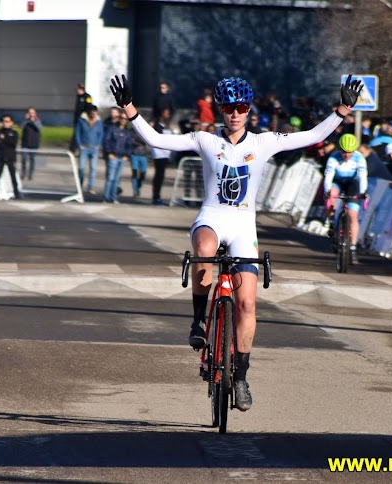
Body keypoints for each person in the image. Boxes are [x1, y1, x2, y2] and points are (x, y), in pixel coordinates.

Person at [110, 73, 362, 411]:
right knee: (203, 250)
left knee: (246, 304)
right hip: (212, 218)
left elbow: (313, 135)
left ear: (249, 109)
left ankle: (240, 376)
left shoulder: (263, 143)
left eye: (241, 107)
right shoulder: (205, 140)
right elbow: (157, 140)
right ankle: (199, 320)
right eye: (228, 107)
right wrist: (128, 107)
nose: (235, 113)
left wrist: (343, 109)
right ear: (219, 110)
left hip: (244, 226)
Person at [323, 133, 368, 263]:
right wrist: (327, 192)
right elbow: (329, 177)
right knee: (331, 195)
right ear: (339, 150)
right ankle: (331, 222)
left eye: (350, 152)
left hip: (352, 184)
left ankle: (353, 248)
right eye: (344, 152)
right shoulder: (333, 158)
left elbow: (363, 178)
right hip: (337, 182)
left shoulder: (360, 159)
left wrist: (363, 192)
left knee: (353, 215)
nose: (347, 155)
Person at [102, 110, 132, 204]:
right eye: (122, 118)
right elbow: (106, 141)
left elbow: (129, 145)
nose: (123, 120)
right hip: (113, 156)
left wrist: (127, 155)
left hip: (121, 157)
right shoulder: (112, 128)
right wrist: (109, 153)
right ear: (119, 118)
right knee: (110, 178)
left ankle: (114, 197)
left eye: (125, 119)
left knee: (117, 179)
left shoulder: (127, 132)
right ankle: (106, 197)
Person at [0, 114, 23, 200]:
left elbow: (13, 144)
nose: (5, 123)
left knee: (13, 176)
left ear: (11, 123)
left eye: (7, 121)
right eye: (4, 121)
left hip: (10, 157)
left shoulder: (14, 133)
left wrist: (4, 139)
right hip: (1, 157)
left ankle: (16, 193)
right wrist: (5, 141)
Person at [75, 104, 104, 195]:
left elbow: (101, 133)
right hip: (84, 147)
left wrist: (98, 145)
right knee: (81, 168)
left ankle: (90, 187)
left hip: (94, 148)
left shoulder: (99, 122)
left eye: (94, 111)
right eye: (91, 111)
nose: (93, 113)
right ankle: (80, 185)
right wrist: (80, 145)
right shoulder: (81, 120)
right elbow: (77, 133)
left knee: (93, 168)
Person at [150, 107, 173, 205]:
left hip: (166, 153)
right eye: (166, 113)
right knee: (158, 175)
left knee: (161, 175)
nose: (167, 115)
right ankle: (156, 196)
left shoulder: (168, 124)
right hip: (158, 153)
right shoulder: (155, 123)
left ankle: (157, 195)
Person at [20, 107, 42, 180]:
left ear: (35, 114)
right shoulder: (25, 121)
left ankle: (30, 174)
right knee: (24, 158)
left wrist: (33, 121)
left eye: (32, 113)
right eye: (30, 113)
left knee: (32, 159)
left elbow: (39, 128)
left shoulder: (37, 120)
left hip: (34, 143)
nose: (31, 114)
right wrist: (26, 120)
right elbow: (21, 127)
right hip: (25, 143)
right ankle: (23, 172)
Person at [70, 83, 93, 153]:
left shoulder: (87, 97)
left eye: (78, 89)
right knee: (76, 133)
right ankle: (73, 149)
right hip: (77, 118)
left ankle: (81, 147)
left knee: (82, 133)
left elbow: (89, 107)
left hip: (83, 118)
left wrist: (87, 116)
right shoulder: (78, 96)